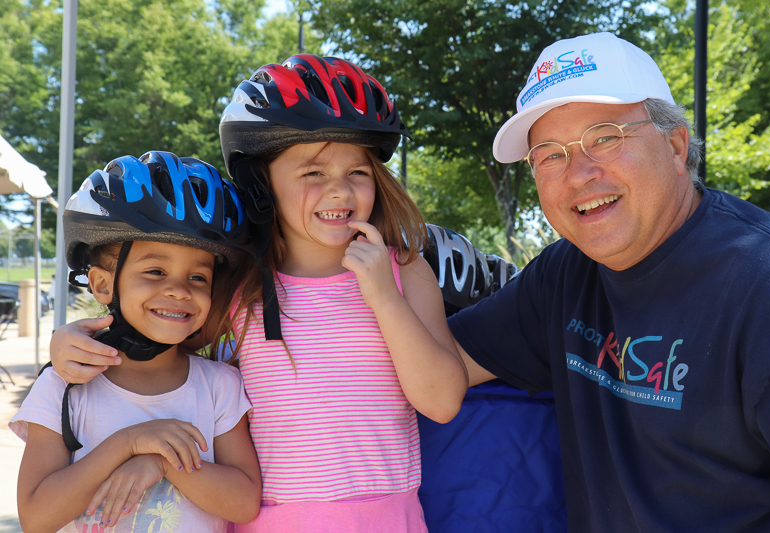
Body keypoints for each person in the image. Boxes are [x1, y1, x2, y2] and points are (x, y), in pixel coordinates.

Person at [48, 55, 468, 532]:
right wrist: (68, 345)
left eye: (358, 173)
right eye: (313, 173)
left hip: (386, 519)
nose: (340, 192)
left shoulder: (405, 273)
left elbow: (441, 401)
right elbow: (154, 353)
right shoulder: (239, 290)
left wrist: (383, 297)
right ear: (262, 183)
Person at [447, 31, 770, 531]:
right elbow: (438, 365)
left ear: (676, 146)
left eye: (606, 137)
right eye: (549, 154)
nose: (579, 173)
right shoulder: (564, 275)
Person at [11, 151, 262, 532]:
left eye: (198, 277)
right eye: (156, 271)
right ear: (101, 284)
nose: (178, 290)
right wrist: (129, 442)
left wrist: (162, 461)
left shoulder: (219, 386)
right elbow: (36, 517)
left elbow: (243, 502)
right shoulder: (65, 387)